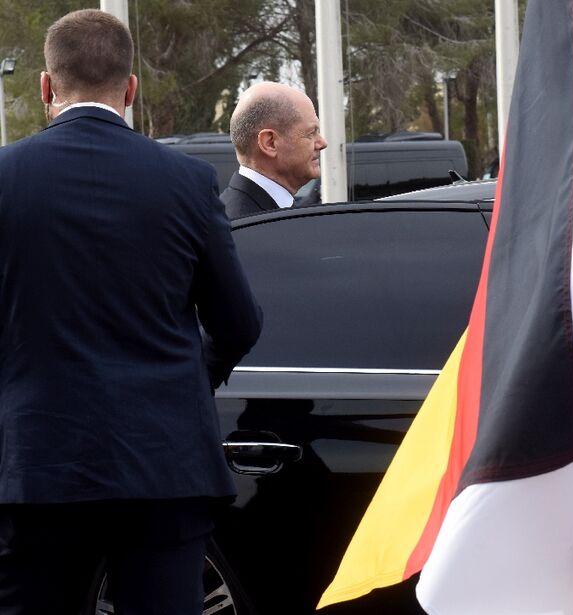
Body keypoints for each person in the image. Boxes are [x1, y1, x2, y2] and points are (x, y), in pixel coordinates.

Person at [0, 9, 262, 615]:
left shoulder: (7, 179)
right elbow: (239, 324)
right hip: (161, 467)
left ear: (45, 86)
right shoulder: (187, 181)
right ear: (131, 89)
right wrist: (179, 382)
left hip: (35, 465)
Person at [221, 81, 328, 218]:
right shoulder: (244, 225)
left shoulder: (257, 214)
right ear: (270, 143)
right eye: (310, 133)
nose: (322, 143)